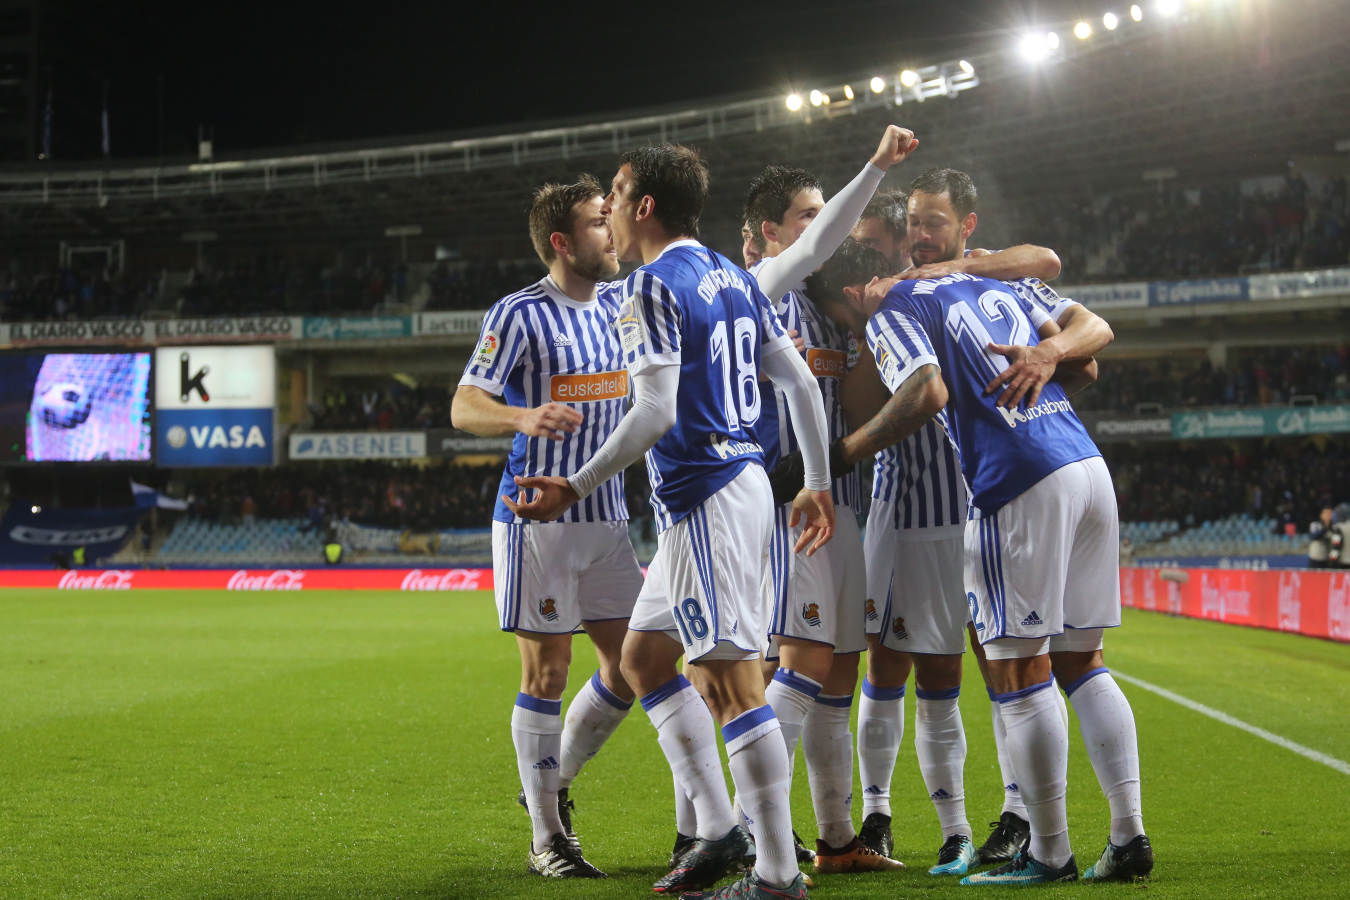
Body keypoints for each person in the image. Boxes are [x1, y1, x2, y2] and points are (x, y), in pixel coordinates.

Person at [506, 143, 835, 900]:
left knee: (728, 682)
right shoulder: (730, 274)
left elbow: (654, 412)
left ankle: (778, 877)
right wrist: (813, 481)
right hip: (730, 491)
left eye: (616, 197)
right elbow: (797, 382)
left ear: (644, 206)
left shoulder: (650, 286)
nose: (611, 214)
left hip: (710, 496)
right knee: (644, 660)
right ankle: (718, 833)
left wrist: (575, 485)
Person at [805, 236, 1152, 886]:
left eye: (845, 319)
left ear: (854, 293)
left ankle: (1048, 852)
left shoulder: (891, 305)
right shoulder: (992, 283)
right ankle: (1128, 836)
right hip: (1083, 463)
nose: (854, 330)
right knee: (1083, 661)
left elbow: (925, 392)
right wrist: (1042, 358)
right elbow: (1087, 357)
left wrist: (841, 455)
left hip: (1015, 478)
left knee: (1018, 671)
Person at [450, 175, 644, 879]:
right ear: (563, 242)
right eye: (599, 223)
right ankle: (546, 839)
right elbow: (464, 404)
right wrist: (521, 416)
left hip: (608, 516)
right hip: (537, 520)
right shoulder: (522, 313)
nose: (611, 231)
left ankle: (554, 784)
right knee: (549, 671)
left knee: (633, 668)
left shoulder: (625, 302)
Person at [740, 124, 917, 873]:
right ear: (765, 233)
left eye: (823, 211)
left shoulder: (819, 307)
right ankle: (749, 839)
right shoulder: (755, 296)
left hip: (844, 504)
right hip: (791, 510)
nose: (825, 224)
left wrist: (865, 323)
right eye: (810, 214)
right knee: (804, 662)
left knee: (840, 672)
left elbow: (852, 403)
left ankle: (836, 841)